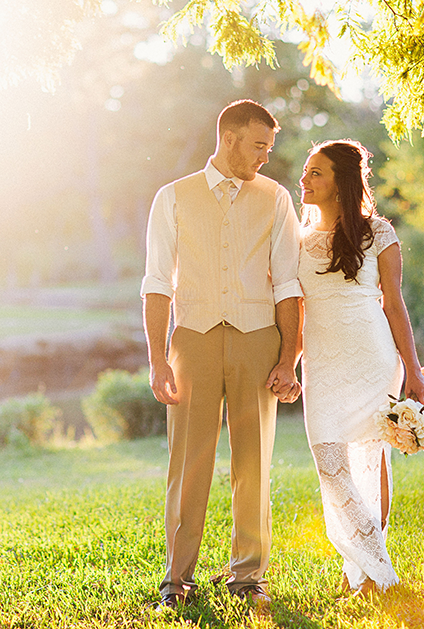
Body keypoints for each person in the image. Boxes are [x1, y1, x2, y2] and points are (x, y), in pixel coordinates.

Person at [141, 99, 303, 610]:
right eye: (259, 146)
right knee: (189, 461)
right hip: (193, 337)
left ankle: (248, 575)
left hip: (260, 338)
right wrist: (158, 358)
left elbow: (289, 285)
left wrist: (288, 359)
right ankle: (178, 578)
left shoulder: (276, 199)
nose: (265, 157)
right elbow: (156, 284)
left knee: (253, 461)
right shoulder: (172, 198)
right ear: (229, 138)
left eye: (269, 148)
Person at [291, 139, 424, 596]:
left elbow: (395, 304)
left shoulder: (379, 234)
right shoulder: (296, 240)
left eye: (316, 173)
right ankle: (377, 568)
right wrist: (287, 364)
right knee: (330, 463)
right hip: (323, 363)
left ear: (341, 184)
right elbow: (294, 312)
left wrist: (412, 367)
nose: (304, 180)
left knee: (373, 457)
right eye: (307, 171)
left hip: (373, 355)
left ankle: (369, 574)